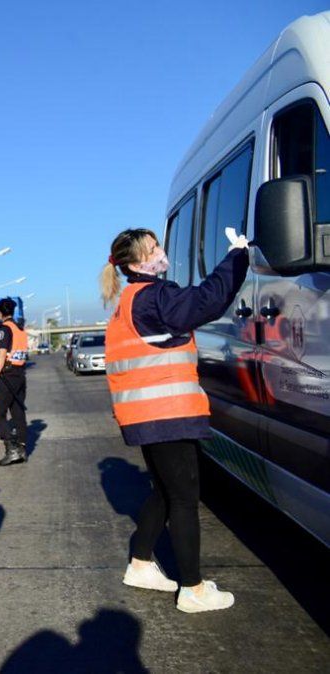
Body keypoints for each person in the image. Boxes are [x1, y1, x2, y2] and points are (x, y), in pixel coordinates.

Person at [101, 226, 248, 613]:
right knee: (184, 498)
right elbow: (206, 301)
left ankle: (141, 563)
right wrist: (237, 256)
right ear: (135, 263)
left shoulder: (128, 299)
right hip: (166, 413)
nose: (161, 252)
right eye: (153, 249)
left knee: (165, 491)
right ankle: (194, 589)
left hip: (145, 415)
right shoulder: (155, 296)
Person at [0, 297, 28, 466]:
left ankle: (12, 448)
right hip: (19, 374)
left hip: (6, 375)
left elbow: (2, 354)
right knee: (17, 412)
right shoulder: (19, 328)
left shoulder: (3, 329)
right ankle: (23, 449)